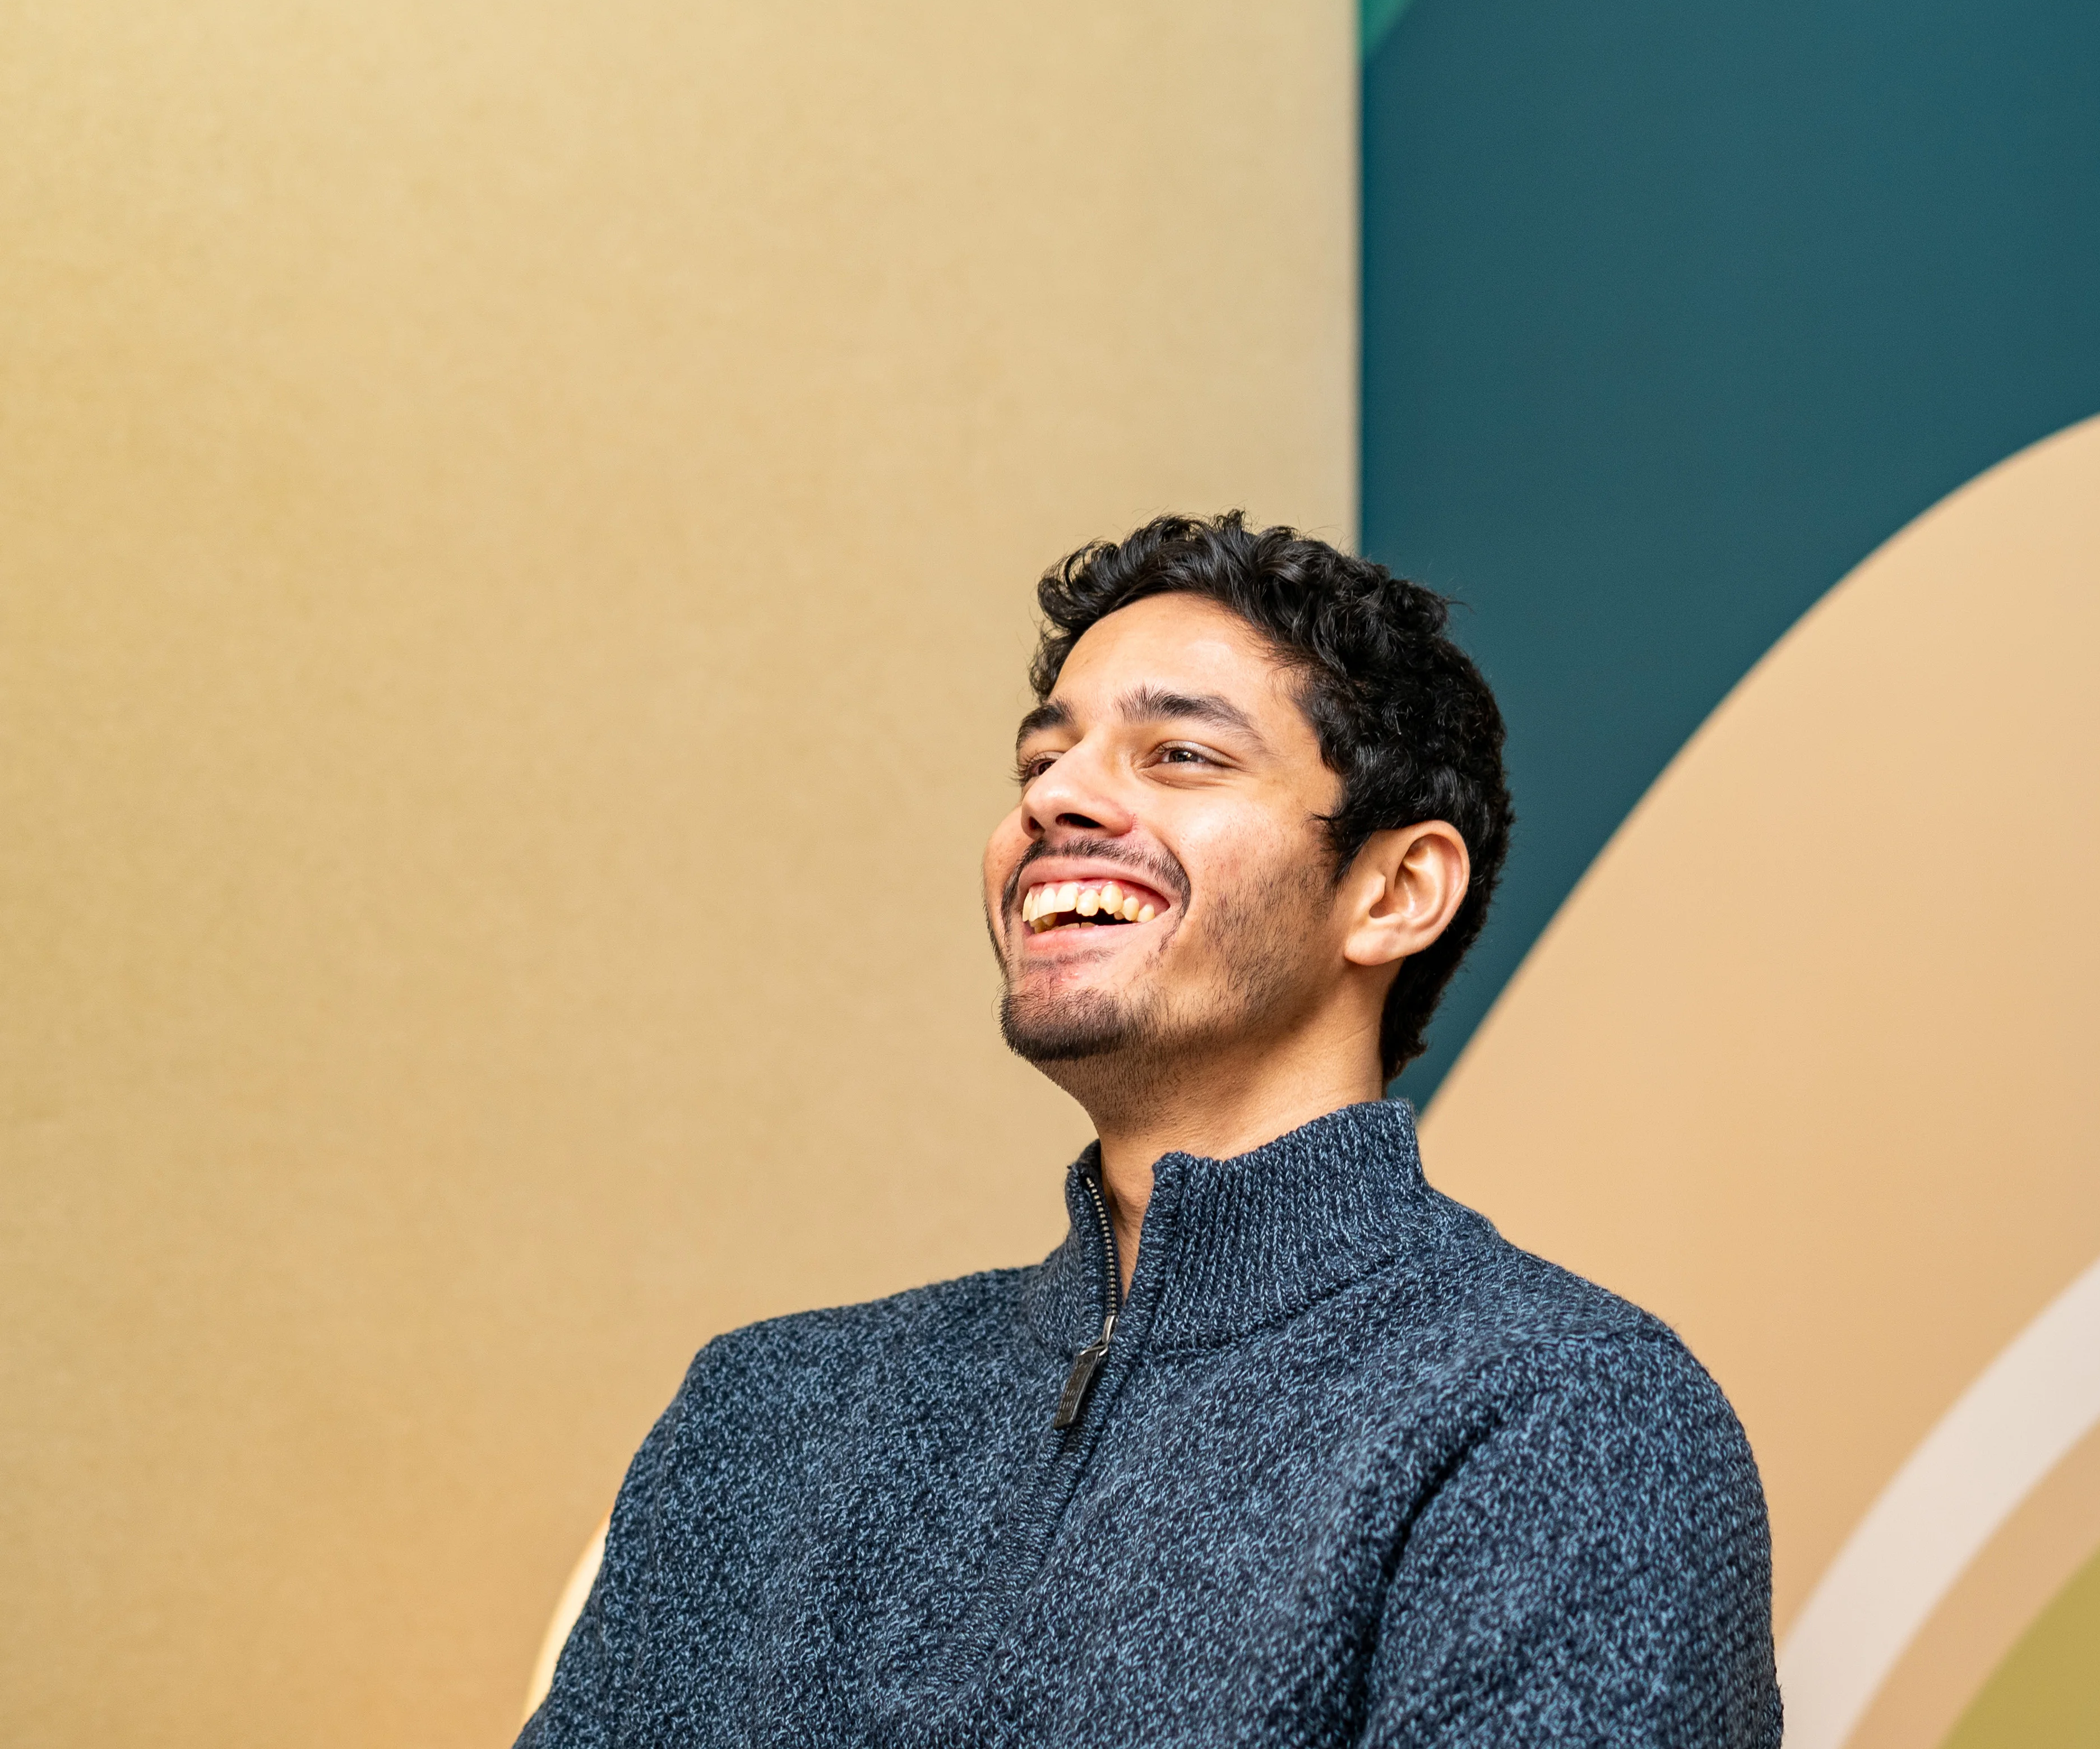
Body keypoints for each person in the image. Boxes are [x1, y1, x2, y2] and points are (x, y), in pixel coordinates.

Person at [521, 514, 1782, 1747]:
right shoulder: (762, 1411)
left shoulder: (1562, 1412)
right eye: (1039, 761)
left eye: (1179, 754)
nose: (1056, 799)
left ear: (1394, 891)